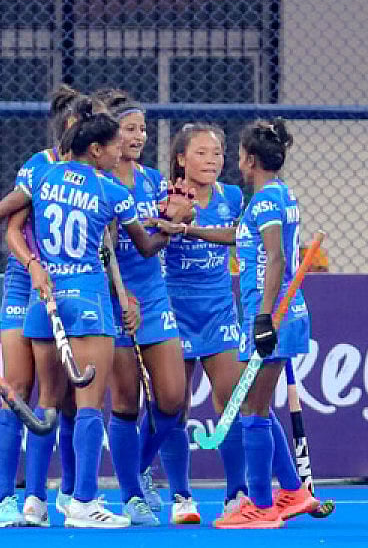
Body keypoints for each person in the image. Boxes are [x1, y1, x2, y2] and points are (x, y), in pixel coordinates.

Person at [4, 101, 161, 529]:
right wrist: (173, 224)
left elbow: (12, 223)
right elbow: (144, 247)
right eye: (114, 147)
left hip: (46, 297)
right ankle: (83, 501)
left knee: (47, 403)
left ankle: (33, 501)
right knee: (90, 404)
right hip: (88, 299)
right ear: (94, 149)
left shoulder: (43, 175)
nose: (121, 153)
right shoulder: (113, 191)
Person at [0, 85, 89, 527]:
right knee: (16, 388)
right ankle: (5, 501)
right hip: (26, 283)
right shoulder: (37, 167)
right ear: (67, 126)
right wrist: (33, 265)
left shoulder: (96, 171)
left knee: (60, 395)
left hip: (72, 286)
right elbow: (12, 227)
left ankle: (44, 497)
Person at [206, 120, 319, 528]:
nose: (235, 161)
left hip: (272, 315)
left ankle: (260, 505)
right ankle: (290, 490)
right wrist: (186, 229)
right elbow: (242, 237)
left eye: (237, 154)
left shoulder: (267, 202)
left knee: (253, 410)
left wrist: (264, 318)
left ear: (250, 160)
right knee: (258, 404)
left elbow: (276, 258)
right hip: (277, 313)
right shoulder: (278, 195)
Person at [96, 91, 193, 526]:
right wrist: (121, 296)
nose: (140, 136)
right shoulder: (98, 182)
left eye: (143, 129)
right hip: (113, 298)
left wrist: (175, 222)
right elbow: (104, 249)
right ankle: (132, 495)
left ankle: (135, 465)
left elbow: (154, 237)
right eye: (131, 128)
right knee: (125, 401)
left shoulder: (153, 180)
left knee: (173, 398)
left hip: (153, 295)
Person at [150, 123, 248, 522]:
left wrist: (193, 229)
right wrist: (167, 219)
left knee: (231, 400)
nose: (212, 161)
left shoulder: (233, 196)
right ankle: (181, 497)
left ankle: (237, 494)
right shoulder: (161, 195)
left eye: (218, 154)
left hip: (219, 308)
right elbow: (148, 238)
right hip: (174, 308)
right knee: (174, 407)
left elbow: (239, 235)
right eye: (202, 153)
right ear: (180, 159)